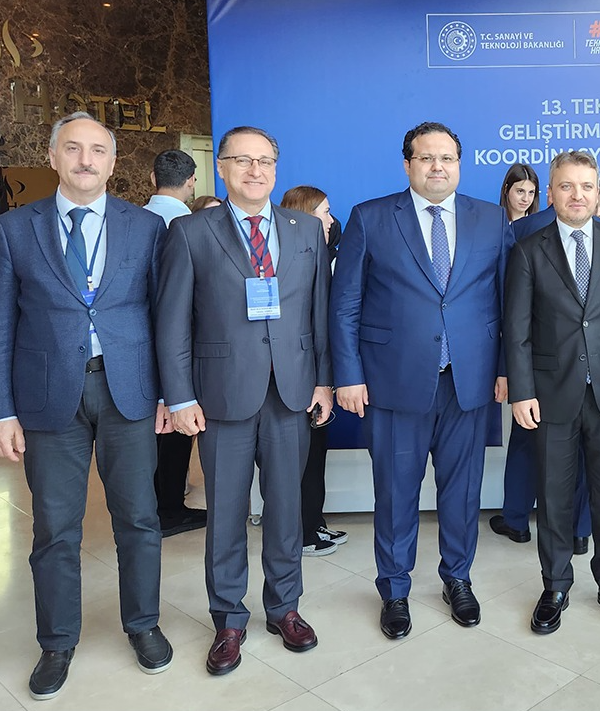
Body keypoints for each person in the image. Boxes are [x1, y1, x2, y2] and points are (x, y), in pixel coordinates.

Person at [0, 112, 173, 700]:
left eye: (98, 150)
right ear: (52, 157)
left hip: (129, 391)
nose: (85, 160)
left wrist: (169, 393)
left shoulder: (145, 227)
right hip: (47, 397)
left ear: (113, 162)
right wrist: (4, 411)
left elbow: (163, 316)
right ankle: (56, 642)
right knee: (54, 528)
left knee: (139, 518)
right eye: (72, 148)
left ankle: (143, 624)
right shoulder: (14, 228)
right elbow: (3, 324)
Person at [156, 125, 333, 675]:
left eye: (265, 161)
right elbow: (172, 322)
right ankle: (229, 618)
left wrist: (323, 381)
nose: (255, 171)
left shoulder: (306, 229)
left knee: (286, 509)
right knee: (227, 514)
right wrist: (179, 396)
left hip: (290, 392)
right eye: (242, 160)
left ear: (275, 169)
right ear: (221, 168)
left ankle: (284, 608)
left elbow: (319, 314)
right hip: (222, 395)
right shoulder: (190, 231)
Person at [330, 122, 512, 640]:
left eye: (447, 158)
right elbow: (344, 305)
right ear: (407, 164)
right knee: (395, 493)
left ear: (459, 164)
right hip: (393, 384)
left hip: (468, 383)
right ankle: (394, 588)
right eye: (427, 158)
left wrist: (505, 370)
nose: (438, 167)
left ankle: (458, 578)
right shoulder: (370, 217)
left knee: (464, 491)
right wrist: (348, 375)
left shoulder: (490, 218)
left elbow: (507, 303)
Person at [504, 150, 600, 635]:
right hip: (550, 394)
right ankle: (555, 586)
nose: (577, 195)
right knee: (553, 496)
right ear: (551, 193)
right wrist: (522, 391)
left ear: (597, 191)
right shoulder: (528, 249)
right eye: (566, 186)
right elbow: (517, 329)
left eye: (586, 187)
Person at [490, 189, 593, 556]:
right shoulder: (596, 230)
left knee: (526, 443)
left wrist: (509, 369)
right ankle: (578, 531)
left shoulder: (523, 228)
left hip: (537, 366)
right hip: (574, 366)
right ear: (553, 190)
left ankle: (517, 520)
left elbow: (509, 308)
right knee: (581, 450)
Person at [280, 184, 347, 557]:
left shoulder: (325, 254)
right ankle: (303, 532)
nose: (331, 220)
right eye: (324, 211)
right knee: (301, 458)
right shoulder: (292, 259)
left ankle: (313, 522)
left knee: (316, 452)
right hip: (298, 374)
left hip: (319, 374)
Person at [143, 149, 207, 538]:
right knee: (176, 432)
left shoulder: (133, 221)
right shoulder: (191, 227)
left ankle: (154, 506)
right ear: (191, 182)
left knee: (150, 434)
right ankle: (168, 508)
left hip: (137, 347)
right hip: (183, 347)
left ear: (153, 179)